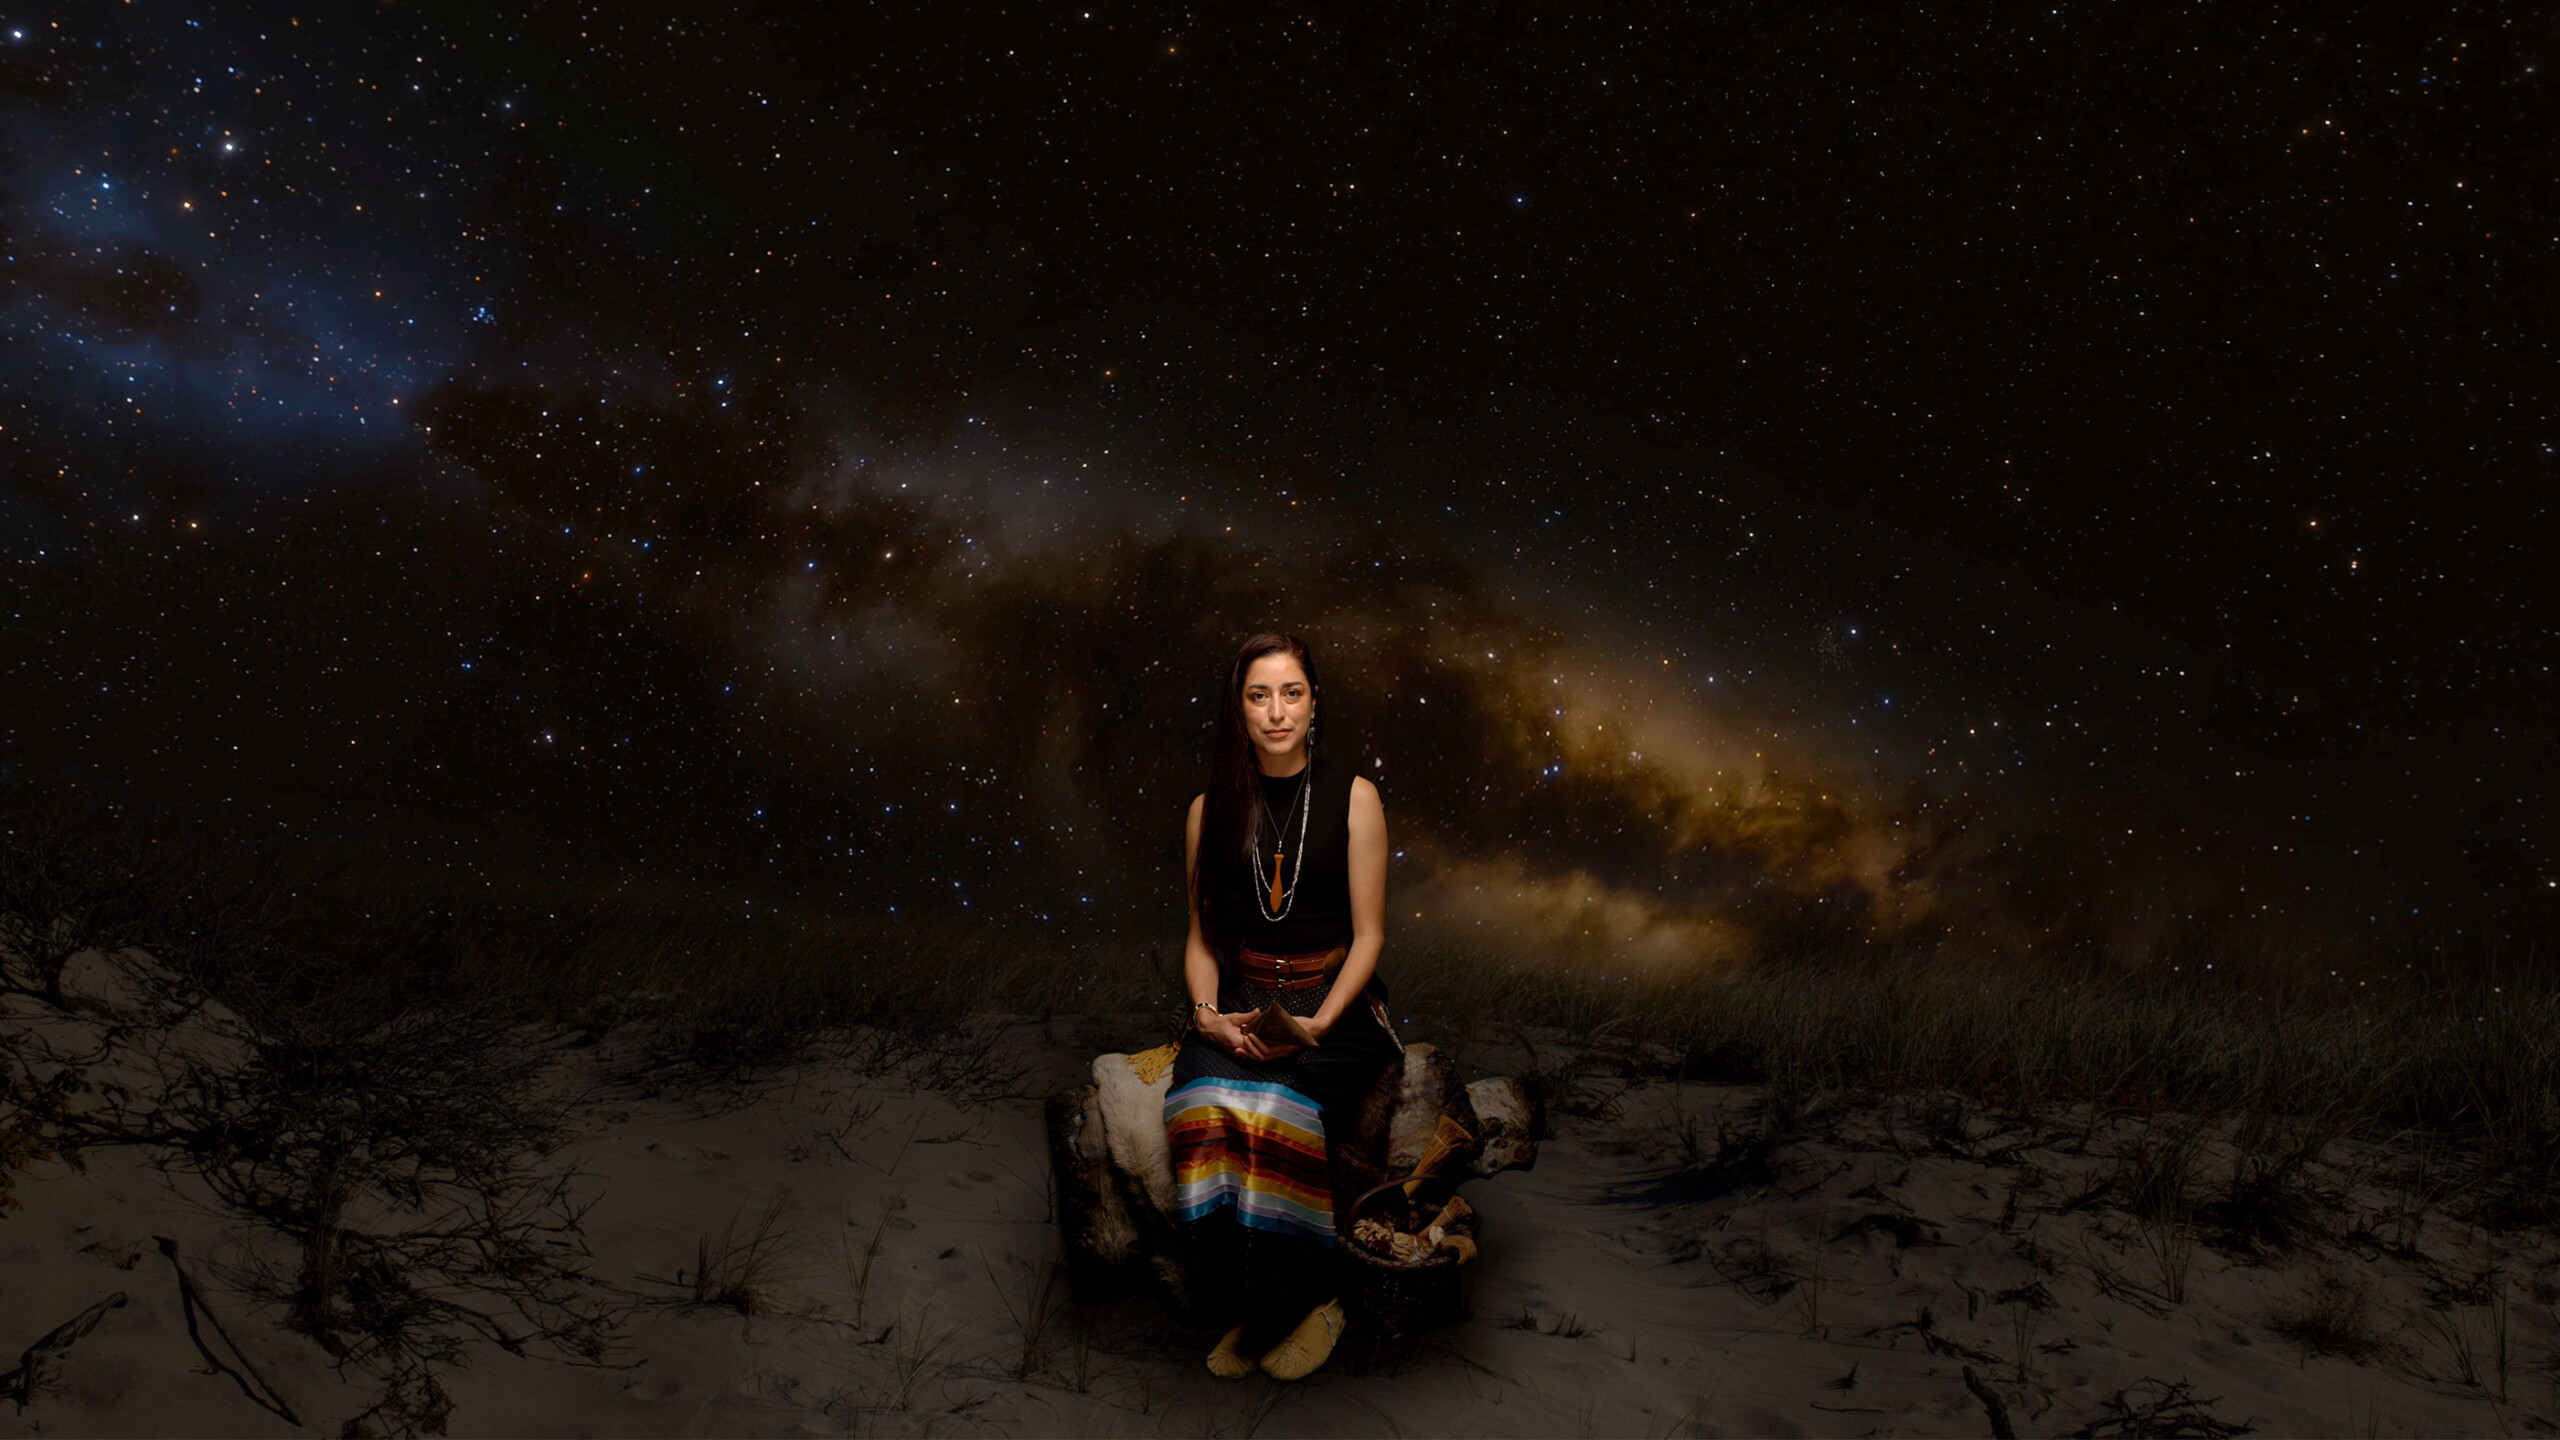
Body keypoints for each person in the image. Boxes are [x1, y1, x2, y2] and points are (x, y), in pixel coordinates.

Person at [1164, 631, 1401, 1381]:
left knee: (1278, 1109)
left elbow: (1370, 938)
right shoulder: (1210, 808)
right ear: (1238, 709)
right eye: (1258, 695)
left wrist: (1320, 1023)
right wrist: (1206, 1013)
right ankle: (1249, 1299)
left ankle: (1311, 1298)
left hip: (1335, 1002)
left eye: (1290, 693)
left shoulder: (1355, 796)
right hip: (1239, 997)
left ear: (1313, 703)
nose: (1276, 712)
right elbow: (1200, 939)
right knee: (1200, 1102)